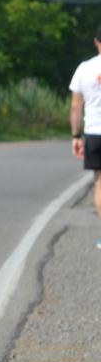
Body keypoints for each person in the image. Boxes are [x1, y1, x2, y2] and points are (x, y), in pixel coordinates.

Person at [68, 25, 101, 233]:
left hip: (94, 133)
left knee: (100, 183)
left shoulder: (84, 68)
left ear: (96, 41)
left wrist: (75, 136)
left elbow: (75, 107)